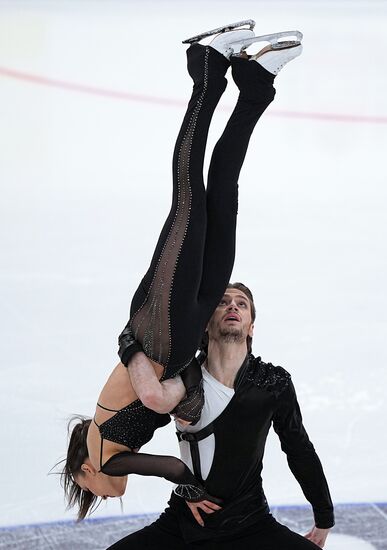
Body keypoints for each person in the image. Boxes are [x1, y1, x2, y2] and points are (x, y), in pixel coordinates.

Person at [59, 22, 304, 521]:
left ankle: (206, 68)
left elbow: (170, 466)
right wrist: (184, 398)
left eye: (98, 493)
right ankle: (254, 85)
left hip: (158, 318)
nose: (113, 491)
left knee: (189, 197)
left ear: (84, 470)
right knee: (224, 197)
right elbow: (164, 399)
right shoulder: (109, 435)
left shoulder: (105, 450)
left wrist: (195, 490)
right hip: (186, 325)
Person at [107, 283, 334, 550]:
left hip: (251, 525)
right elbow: (123, 443)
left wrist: (323, 517)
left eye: (242, 303)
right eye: (223, 301)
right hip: (184, 525)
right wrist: (183, 481)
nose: (233, 306)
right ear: (205, 324)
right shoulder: (179, 380)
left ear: (251, 327)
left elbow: (299, 450)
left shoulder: (272, 383)